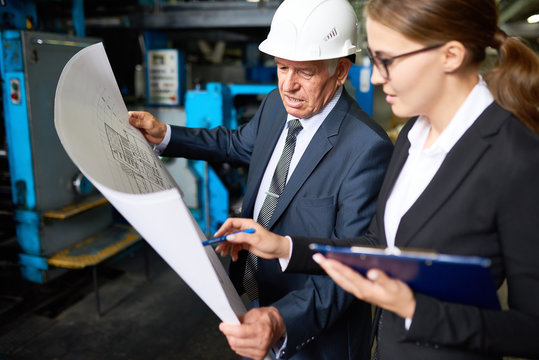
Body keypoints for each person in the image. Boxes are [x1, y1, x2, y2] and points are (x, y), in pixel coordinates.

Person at [213, 0, 539, 359]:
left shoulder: (517, 160)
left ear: (451, 55)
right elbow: (377, 243)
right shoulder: (415, 131)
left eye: (388, 60)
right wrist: (286, 247)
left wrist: (415, 308)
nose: (378, 76)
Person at [129, 0, 393, 359]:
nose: (289, 86)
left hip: (312, 335)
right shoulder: (275, 105)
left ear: (341, 71)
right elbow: (236, 144)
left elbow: (352, 268)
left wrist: (281, 321)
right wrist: (166, 135)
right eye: (282, 67)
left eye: (306, 72)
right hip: (254, 297)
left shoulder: (366, 148)